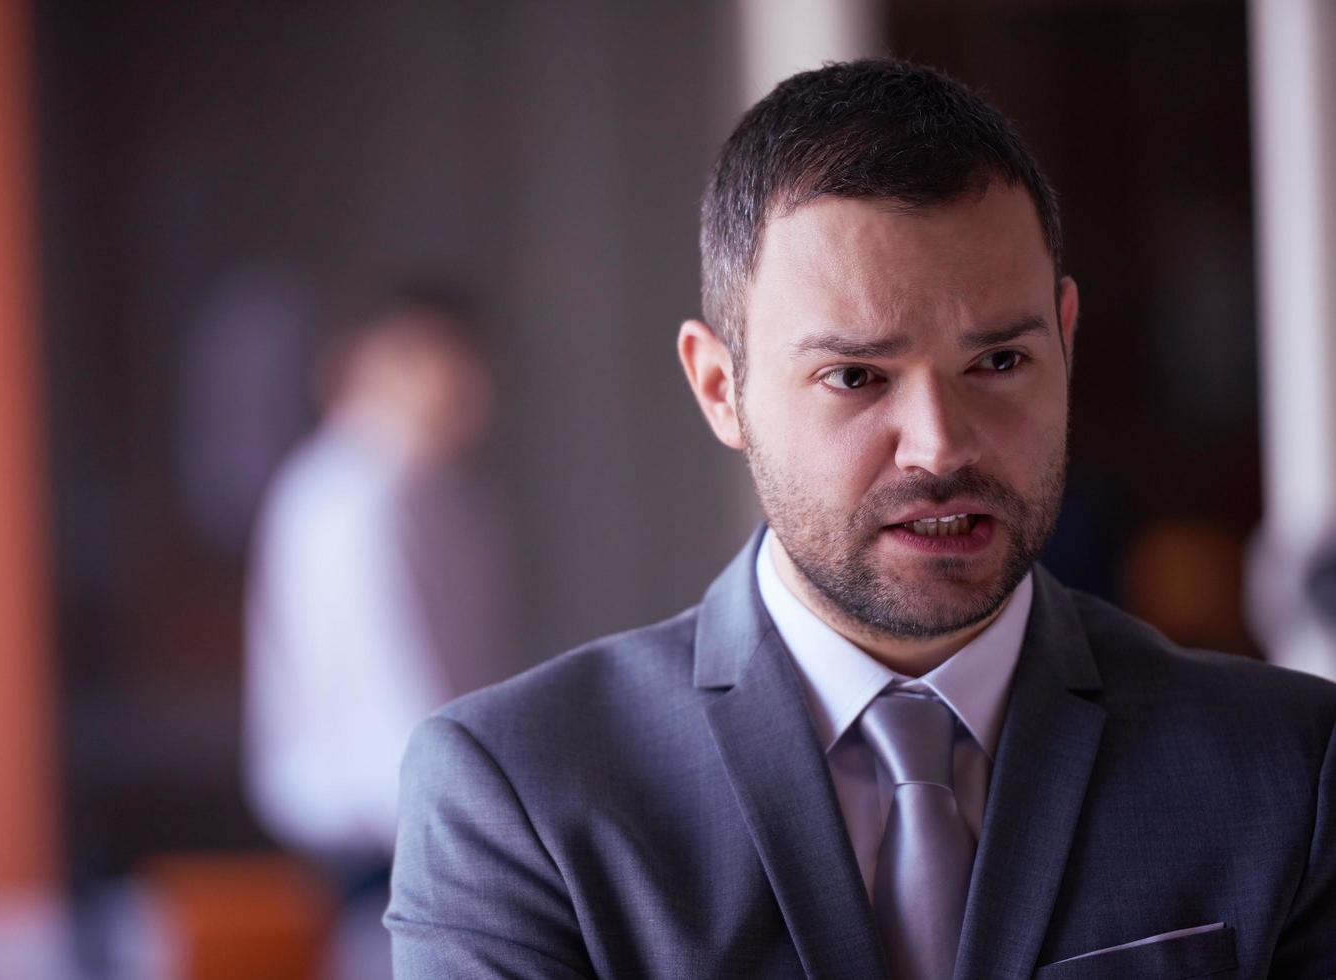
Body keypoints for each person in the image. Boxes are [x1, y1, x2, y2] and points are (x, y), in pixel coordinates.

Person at [385, 60, 1336, 978]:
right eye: (855, 377)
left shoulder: (1288, 769)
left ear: (1066, 342)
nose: (939, 446)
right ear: (722, 389)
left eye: (999, 362)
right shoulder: (521, 796)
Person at [243, 291, 511, 910]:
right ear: (378, 363)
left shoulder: (434, 489)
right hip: (383, 833)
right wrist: (482, 826)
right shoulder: (360, 499)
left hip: (419, 817)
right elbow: (399, 689)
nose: (473, 386)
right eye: (450, 362)